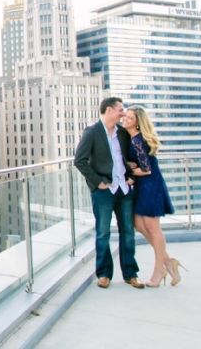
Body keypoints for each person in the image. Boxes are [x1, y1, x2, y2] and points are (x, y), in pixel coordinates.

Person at [74, 97, 144, 289]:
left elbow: (131, 159)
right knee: (103, 233)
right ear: (108, 110)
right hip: (104, 191)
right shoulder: (92, 132)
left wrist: (132, 178)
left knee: (128, 232)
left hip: (124, 190)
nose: (123, 113)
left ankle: (131, 274)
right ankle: (104, 274)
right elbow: (79, 161)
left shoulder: (122, 133)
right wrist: (98, 183)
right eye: (120, 109)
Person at [122, 105, 187, 287]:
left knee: (152, 227)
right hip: (142, 186)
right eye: (125, 116)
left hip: (150, 185)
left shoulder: (138, 141)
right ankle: (168, 261)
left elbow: (147, 170)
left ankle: (159, 271)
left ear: (138, 122)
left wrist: (131, 171)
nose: (125, 120)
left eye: (129, 118)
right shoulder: (132, 139)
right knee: (138, 224)